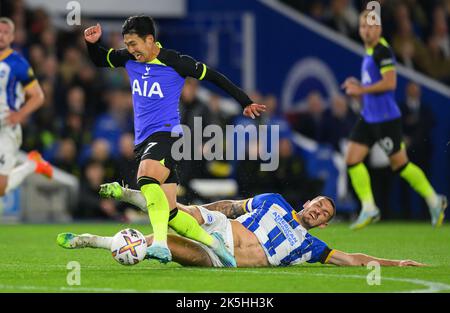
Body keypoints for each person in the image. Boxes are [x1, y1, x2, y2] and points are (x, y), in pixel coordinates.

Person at [84, 16, 265, 265]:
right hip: (145, 140)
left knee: (146, 180)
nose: (131, 49)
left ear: (150, 40)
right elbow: (100, 59)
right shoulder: (128, 58)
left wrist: (245, 102)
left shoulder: (175, 62)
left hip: (169, 136)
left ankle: (160, 243)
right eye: (127, 44)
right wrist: (92, 44)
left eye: (135, 43)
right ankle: (215, 244)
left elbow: (214, 77)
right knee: (170, 213)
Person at [57, 190, 424, 268]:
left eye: (324, 211)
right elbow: (228, 207)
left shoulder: (311, 247)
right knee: (184, 213)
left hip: (220, 258)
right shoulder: (275, 200)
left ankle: (97, 241)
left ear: (325, 222)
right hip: (221, 226)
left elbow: (354, 259)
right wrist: (200, 211)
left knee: (157, 245)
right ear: (307, 202)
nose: (317, 210)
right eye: (316, 203)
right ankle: (133, 195)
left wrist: (395, 263)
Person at [341, 10, 447, 230]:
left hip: (386, 119)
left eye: (370, 26)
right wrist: (360, 88)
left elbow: (390, 84)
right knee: (352, 159)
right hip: (369, 117)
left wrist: (361, 89)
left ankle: (434, 200)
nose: (366, 31)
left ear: (378, 28)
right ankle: (369, 207)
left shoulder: (382, 51)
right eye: (363, 27)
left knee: (400, 165)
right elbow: (374, 83)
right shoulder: (370, 51)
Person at [0, 17, 52, 201]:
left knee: (0, 188)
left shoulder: (18, 63)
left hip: (6, 128)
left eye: (6, 32)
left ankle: (32, 164)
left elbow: (38, 96)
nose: (1, 35)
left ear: (12, 36)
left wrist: (19, 115)